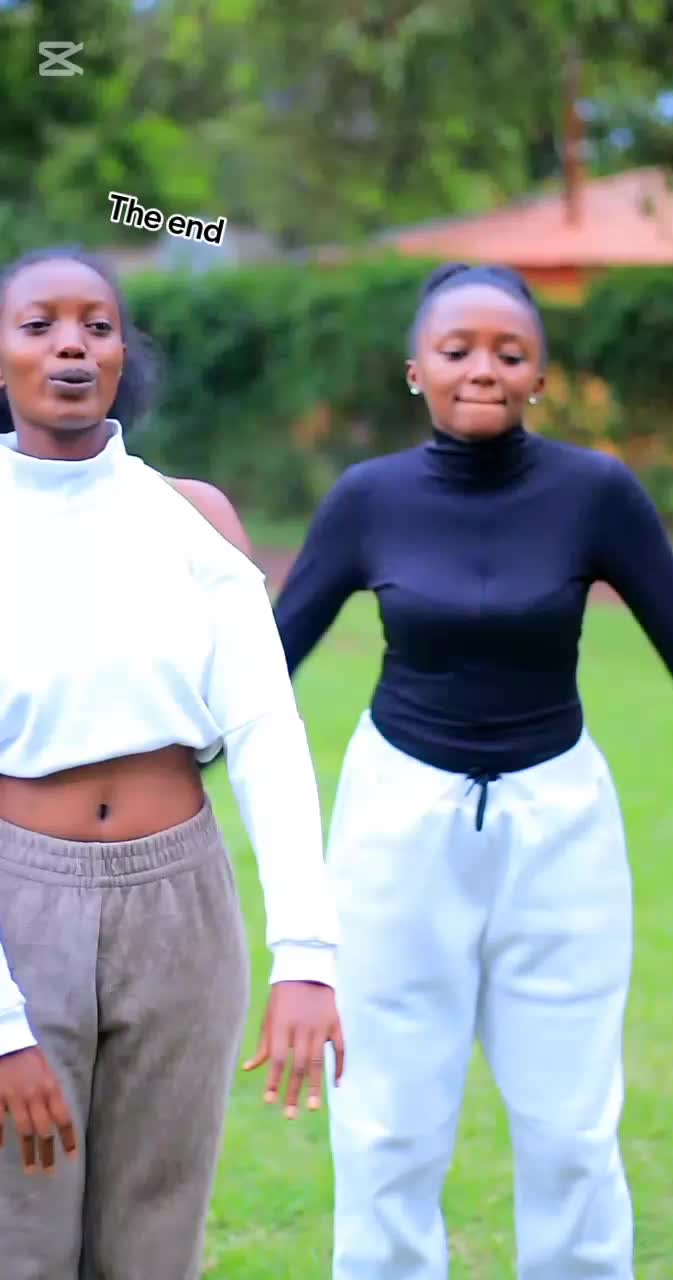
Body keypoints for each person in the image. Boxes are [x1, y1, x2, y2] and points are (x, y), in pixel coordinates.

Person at [273, 262, 673, 1280]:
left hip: (560, 826)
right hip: (396, 825)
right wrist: (156, 761)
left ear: (540, 378)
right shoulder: (367, 499)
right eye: (458, 349)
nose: (484, 368)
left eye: (509, 353)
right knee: (386, 1124)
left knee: (571, 1132)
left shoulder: (596, 494)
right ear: (415, 369)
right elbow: (267, 663)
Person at [0, 245, 343, 1280]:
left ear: (123, 354)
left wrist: (307, 956)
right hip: (20, 906)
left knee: (154, 1244)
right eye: (39, 324)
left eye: (97, 325)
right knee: (21, 1238)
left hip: (180, 909)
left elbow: (268, 735)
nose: (71, 344)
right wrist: (4, 1024)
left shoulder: (192, 519)